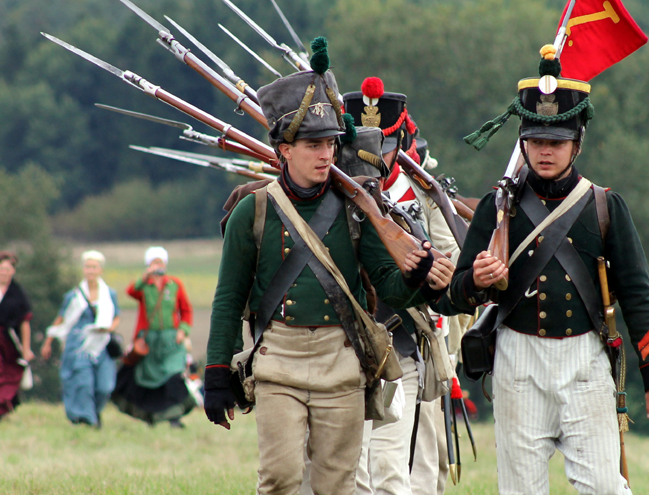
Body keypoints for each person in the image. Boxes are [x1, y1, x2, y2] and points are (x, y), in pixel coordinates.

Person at [203, 38, 452, 495]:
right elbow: (228, 297)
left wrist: (417, 277)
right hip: (277, 361)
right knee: (280, 477)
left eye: (331, 144)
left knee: (337, 485)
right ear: (284, 149)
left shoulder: (357, 210)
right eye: (313, 144)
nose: (326, 154)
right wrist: (217, 371)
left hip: (342, 362)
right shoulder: (253, 211)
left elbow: (389, 286)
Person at [448, 46, 649, 494]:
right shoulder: (496, 208)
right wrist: (476, 279)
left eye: (556, 142)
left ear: (577, 142)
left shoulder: (604, 206)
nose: (545, 151)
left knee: (604, 487)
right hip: (518, 360)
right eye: (536, 141)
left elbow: (636, 294)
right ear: (523, 143)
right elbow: (450, 295)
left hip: (585, 362)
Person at [343, 79, 464, 495]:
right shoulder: (334, 189)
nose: (377, 154)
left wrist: (428, 271)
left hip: (411, 330)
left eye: (385, 144)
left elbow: (453, 258)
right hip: (349, 334)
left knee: (412, 460)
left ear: (401, 141)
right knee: (350, 465)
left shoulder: (420, 191)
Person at [111, 246, 195, 427]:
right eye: (154, 262)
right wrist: (145, 277)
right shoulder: (144, 286)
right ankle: (151, 416)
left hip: (171, 340)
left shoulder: (174, 284)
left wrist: (183, 330)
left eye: (160, 262)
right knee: (148, 380)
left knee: (173, 376)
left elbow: (186, 310)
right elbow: (130, 291)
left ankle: (174, 417)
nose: (158, 266)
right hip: (149, 341)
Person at [41, 250, 120, 427]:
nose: (90, 270)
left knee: (105, 386)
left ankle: (94, 412)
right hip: (78, 345)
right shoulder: (73, 295)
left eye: (94, 267)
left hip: (101, 344)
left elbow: (117, 316)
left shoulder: (110, 294)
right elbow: (61, 318)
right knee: (83, 384)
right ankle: (87, 420)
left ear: (100, 269)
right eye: (87, 267)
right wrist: (48, 340)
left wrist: (109, 328)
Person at [0, 251, 33, 420]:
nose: (4, 273)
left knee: (8, 374)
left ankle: (5, 404)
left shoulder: (18, 294)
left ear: (13, 271)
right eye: (1, 269)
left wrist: (26, 349)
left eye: (7, 269)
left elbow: (24, 322)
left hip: (8, 342)